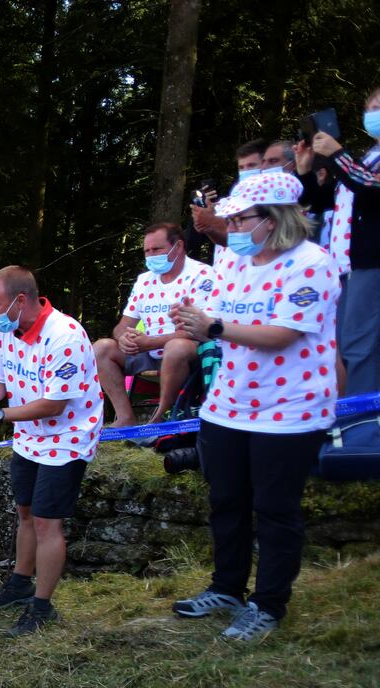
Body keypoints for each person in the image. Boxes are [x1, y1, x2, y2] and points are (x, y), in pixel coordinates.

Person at [169, 172, 342, 641]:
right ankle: (227, 587)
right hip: (228, 404)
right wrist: (188, 321)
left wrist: (214, 328)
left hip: (289, 408)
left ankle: (269, 603)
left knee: (275, 507)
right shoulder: (234, 263)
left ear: (273, 219)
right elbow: (211, 318)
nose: (233, 226)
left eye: (241, 218)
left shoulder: (312, 263)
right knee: (226, 500)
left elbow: (283, 334)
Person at [0, 266, 101, 637]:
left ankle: (42, 605)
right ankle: (19, 584)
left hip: (67, 439)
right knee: (26, 513)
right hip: (28, 438)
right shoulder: (7, 332)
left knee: (49, 523)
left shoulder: (64, 335)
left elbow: (54, 405)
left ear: (20, 300)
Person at [92, 223, 218, 426]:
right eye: (147, 251)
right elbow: (122, 325)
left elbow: (198, 330)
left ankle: (160, 417)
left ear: (178, 247)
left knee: (176, 347)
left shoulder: (202, 275)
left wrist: (151, 342)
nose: (151, 256)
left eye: (157, 249)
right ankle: (125, 417)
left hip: (190, 353)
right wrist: (123, 338)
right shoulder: (144, 280)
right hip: (148, 352)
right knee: (101, 348)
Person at [303, 89, 380, 397]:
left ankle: (363, 431)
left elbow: (370, 187)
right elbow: (325, 203)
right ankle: (353, 419)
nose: (373, 112)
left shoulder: (358, 164)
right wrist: (306, 169)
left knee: (363, 345)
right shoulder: (368, 156)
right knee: (347, 344)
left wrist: (337, 153)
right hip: (349, 265)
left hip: (374, 262)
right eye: (371, 106)